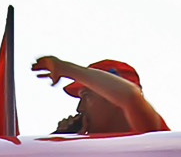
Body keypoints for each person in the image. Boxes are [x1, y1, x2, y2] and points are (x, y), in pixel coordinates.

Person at [32, 56, 168, 135]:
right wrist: (62, 141)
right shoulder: (88, 152)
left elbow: (130, 96)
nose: (80, 108)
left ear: (113, 98)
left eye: (86, 96)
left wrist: (65, 68)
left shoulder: (148, 134)